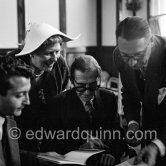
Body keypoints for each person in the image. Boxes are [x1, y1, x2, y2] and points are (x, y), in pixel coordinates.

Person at [8, 22, 79, 152]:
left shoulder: (60, 65)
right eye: (48, 53)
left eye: (57, 52)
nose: (55, 58)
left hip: (50, 135)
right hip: (17, 135)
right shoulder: (11, 65)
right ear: (31, 53)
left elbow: (63, 101)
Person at [44, 55, 127, 165]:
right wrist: (79, 148)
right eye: (81, 86)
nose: (87, 92)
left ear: (98, 78)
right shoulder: (58, 103)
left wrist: (112, 154)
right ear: (72, 81)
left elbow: (118, 137)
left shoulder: (108, 98)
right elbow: (49, 145)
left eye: (92, 85)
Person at [113, 16, 166, 166]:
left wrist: (158, 145)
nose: (132, 62)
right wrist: (133, 123)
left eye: (138, 55)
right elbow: (129, 93)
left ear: (151, 42)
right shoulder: (118, 55)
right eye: (126, 56)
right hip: (149, 137)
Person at [0, 55, 32, 166]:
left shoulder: (8, 116)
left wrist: (47, 158)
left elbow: (11, 156)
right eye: (19, 95)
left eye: (27, 93)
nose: (27, 102)